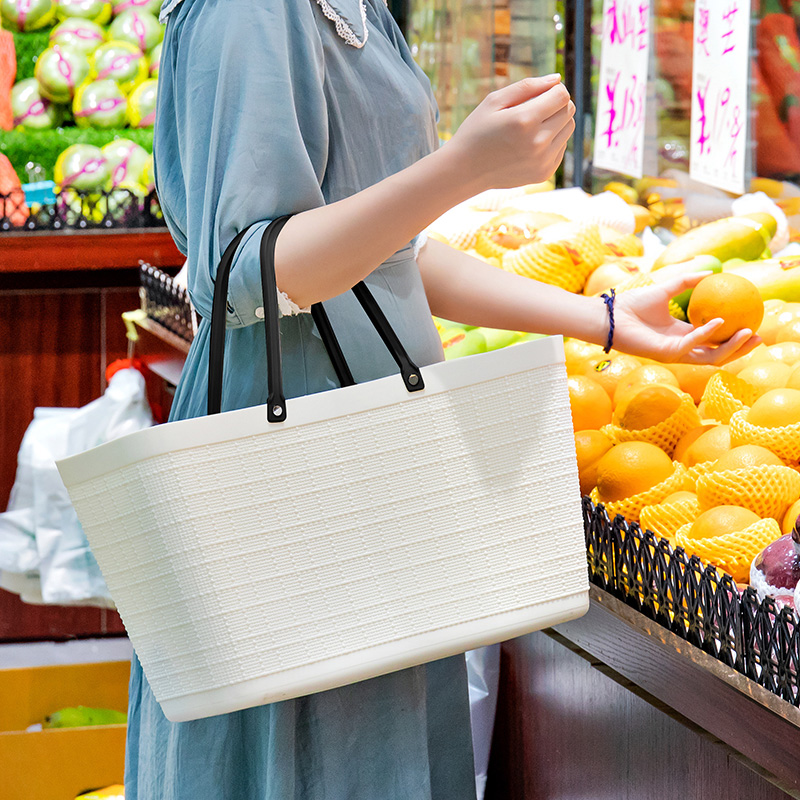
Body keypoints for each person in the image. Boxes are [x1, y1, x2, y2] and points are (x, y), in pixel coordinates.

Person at [124, 1, 760, 797]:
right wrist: (465, 166)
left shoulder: (355, 10)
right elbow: (254, 269)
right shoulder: (254, 12)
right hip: (299, 453)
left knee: (375, 746)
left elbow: (391, 257)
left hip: (378, 452)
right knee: (308, 750)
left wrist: (603, 318)